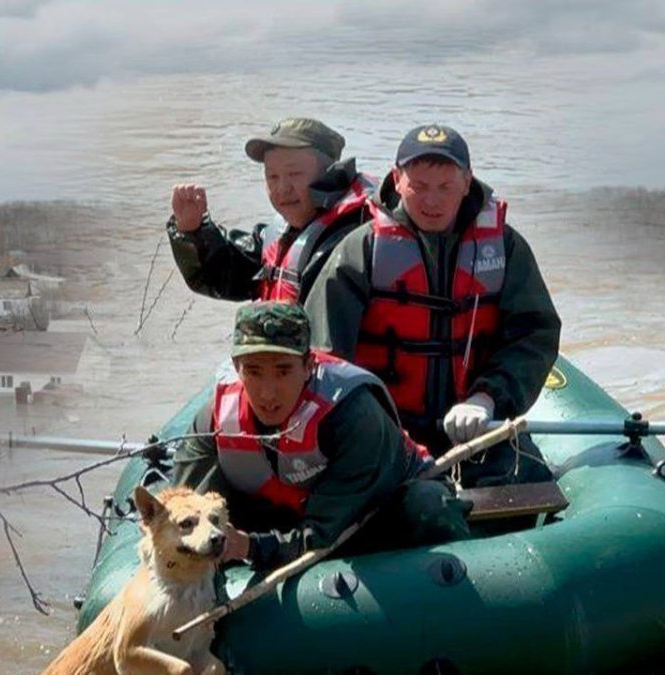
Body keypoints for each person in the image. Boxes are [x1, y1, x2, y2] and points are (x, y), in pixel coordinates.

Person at [304, 124, 560, 488]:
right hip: (384, 432)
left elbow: (534, 336)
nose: (432, 201)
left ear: (467, 182)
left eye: (445, 187)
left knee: (532, 481)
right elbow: (324, 357)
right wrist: (366, 426)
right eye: (419, 187)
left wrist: (487, 398)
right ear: (397, 179)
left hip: (478, 426)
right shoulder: (361, 250)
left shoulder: (505, 247)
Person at [171, 302, 469, 571]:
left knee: (428, 505)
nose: (268, 392)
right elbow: (183, 515)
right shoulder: (213, 421)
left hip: (367, 514)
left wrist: (251, 547)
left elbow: (326, 532)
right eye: (254, 371)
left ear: (309, 367)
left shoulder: (352, 415)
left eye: (283, 371)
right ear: (237, 369)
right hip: (284, 513)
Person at [168, 117, 376, 304]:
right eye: (272, 177)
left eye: (294, 173)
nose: (282, 188)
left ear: (332, 176)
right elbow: (224, 275)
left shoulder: (359, 238)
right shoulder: (277, 234)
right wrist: (192, 230)